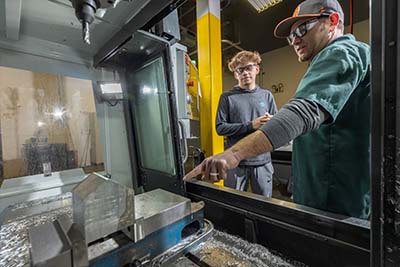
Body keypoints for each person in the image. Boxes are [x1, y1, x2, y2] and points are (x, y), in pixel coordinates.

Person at [184, 0, 371, 219]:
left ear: (332, 21)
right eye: (291, 36)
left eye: (302, 29)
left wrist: (233, 153)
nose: (295, 40)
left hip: (335, 200)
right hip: (320, 193)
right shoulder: (228, 97)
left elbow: (301, 114)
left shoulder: (342, 52)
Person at [216, 51, 277, 197]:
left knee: (264, 206)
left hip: (262, 162)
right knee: (234, 204)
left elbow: (276, 123)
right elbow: (220, 127)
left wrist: (270, 122)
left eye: (248, 68)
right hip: (236, 163)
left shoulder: (267, 95)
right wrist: (250, 125)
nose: (245, 73)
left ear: (257, 69)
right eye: (240, 69)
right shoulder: (227, 98)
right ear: (236, 74)